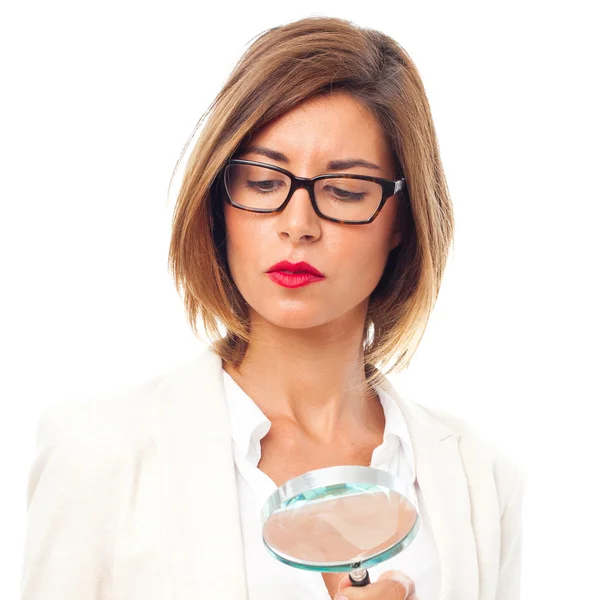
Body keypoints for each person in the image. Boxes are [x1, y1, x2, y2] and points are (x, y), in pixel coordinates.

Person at [20, 16, 524, 600]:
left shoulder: (482, 480)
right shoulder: (98, 454)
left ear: (403, 224)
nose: (297, 225)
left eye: (345, 191)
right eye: (263, 182)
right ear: (218, 200)